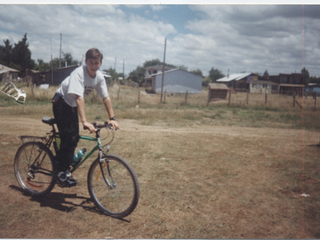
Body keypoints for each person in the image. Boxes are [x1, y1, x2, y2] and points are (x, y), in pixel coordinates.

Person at [52, 48, 119, 187]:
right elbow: (79, 98)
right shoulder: (78, 73)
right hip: (61, 102)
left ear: (100, 63)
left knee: (74, 137)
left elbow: (106, 98)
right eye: (91, 63)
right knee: (68, 137)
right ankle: (60, 171)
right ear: (86, 62)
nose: (94, 66)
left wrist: (112, 118)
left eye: (97, 63)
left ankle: (65, 170)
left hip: (71, 105)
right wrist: (85, 121)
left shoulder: (99, 77)